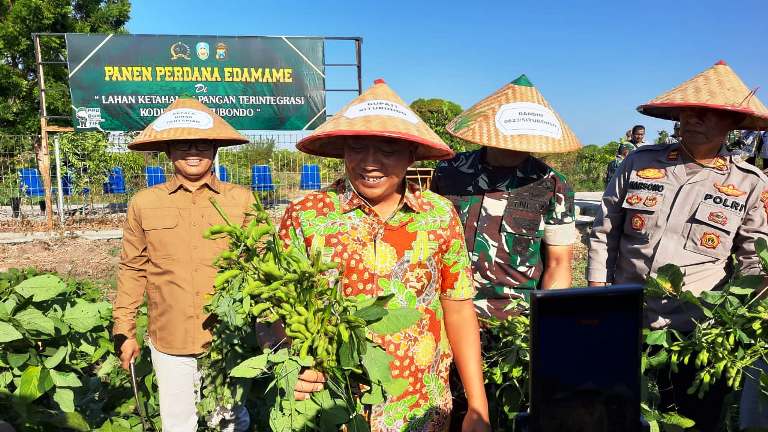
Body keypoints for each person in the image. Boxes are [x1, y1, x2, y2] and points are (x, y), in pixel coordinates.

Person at [280, 79, 490, 431]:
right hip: (334, 405)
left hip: (421, 406)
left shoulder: (438, 215)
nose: (370, 163)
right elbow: (277, 305)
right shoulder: (308, 215)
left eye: (388, 149)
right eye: (358, 147)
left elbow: (457, 304)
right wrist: (286, 352)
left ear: (411, 155)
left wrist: (477, 406)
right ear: (344, 150)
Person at [588, 60, 768, 431]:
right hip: (626, 321)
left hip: (697, 334)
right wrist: (596, 296)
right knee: (615, 416)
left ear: (732, 124)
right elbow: (604, 231)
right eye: (689, 110)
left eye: (708, 113)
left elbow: (753, 261)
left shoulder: (750, 183)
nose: (694, 118)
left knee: (690, 420)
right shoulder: (639, 164)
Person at [113, 98, 254, 431]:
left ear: (216, 147)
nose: (193, 150)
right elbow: (133, 268)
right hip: (169, 336)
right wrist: (124, 328)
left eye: (202, 142)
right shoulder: (145, 202)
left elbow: (260, 265)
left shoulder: (241, 199)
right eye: (182, 143)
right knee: (178, 422)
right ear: (168, 149)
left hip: (226, 336)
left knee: (228, 420)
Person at [432, 74, 580, 321]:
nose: (518, 145)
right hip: (446, 309)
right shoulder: (450, 171)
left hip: (515, 320)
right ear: (489, 133)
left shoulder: (553, 185)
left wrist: (547, 323)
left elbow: (558, 263)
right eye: (512, 137)